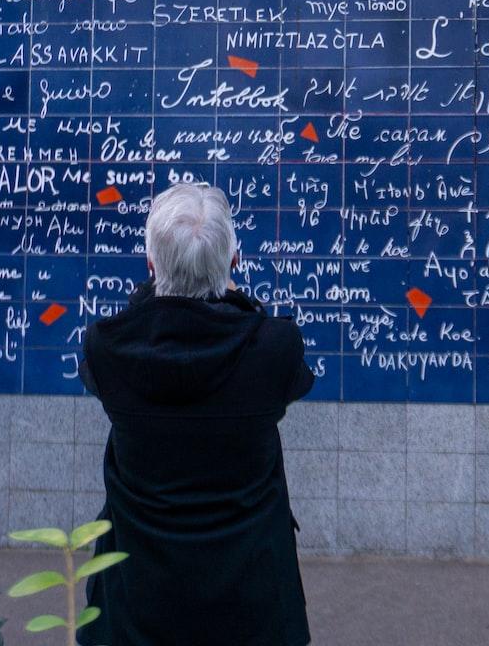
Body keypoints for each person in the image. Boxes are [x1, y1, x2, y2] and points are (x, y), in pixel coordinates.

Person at [78, 181, 316, 646]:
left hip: (135, 605)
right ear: (234, 264)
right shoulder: (274, 347)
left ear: (150, 266)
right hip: (252, 607)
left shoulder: (108, 347)